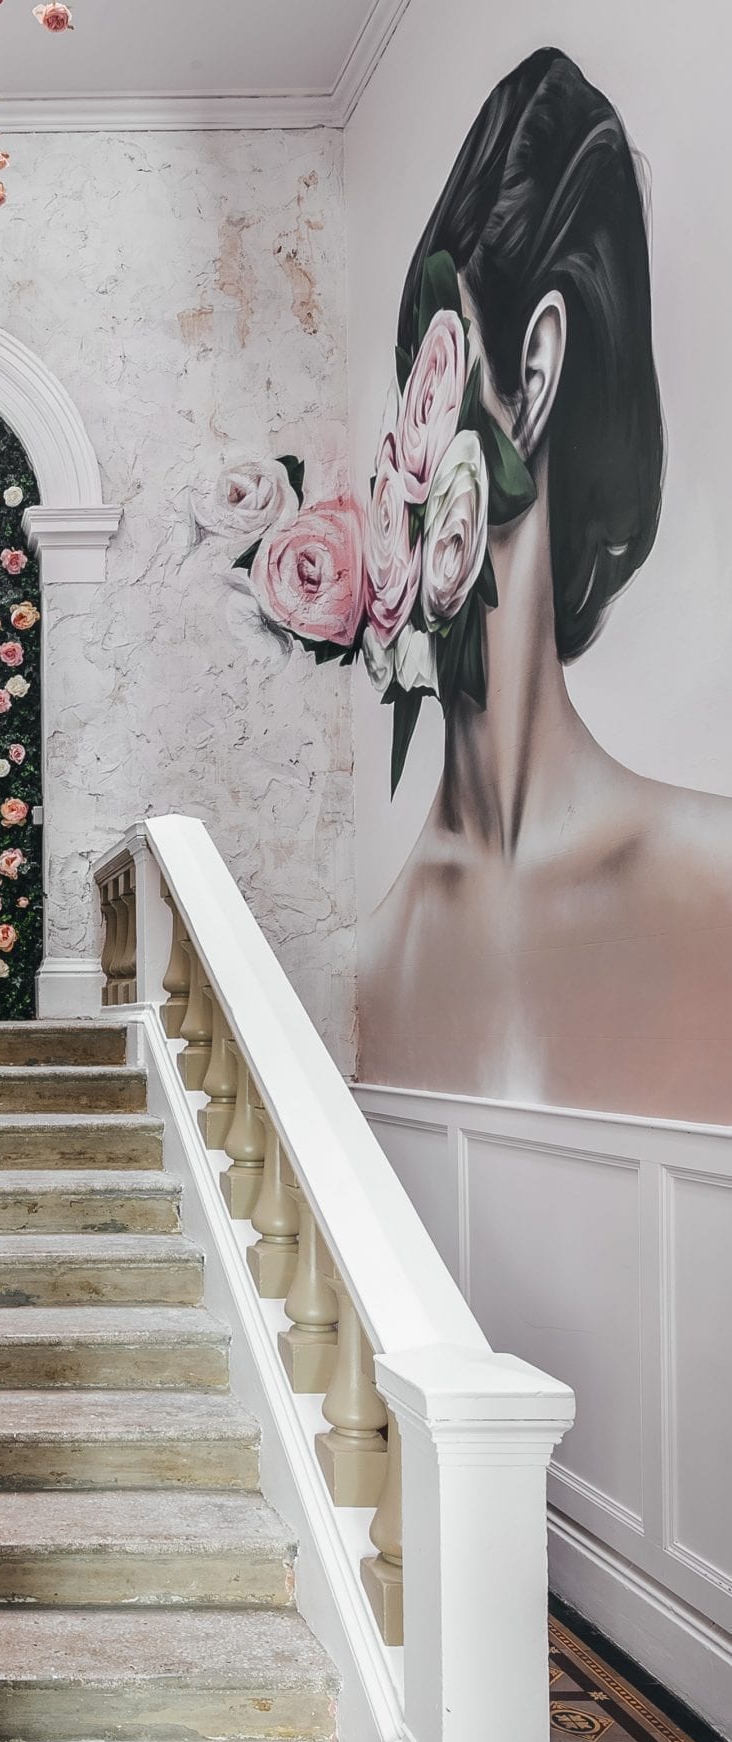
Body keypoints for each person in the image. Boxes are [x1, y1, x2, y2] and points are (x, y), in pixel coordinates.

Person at [359, 48, 732, 1120]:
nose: (395, 458)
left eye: (429, 381)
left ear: (532, 378)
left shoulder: (712, 880)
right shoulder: (372, 952)